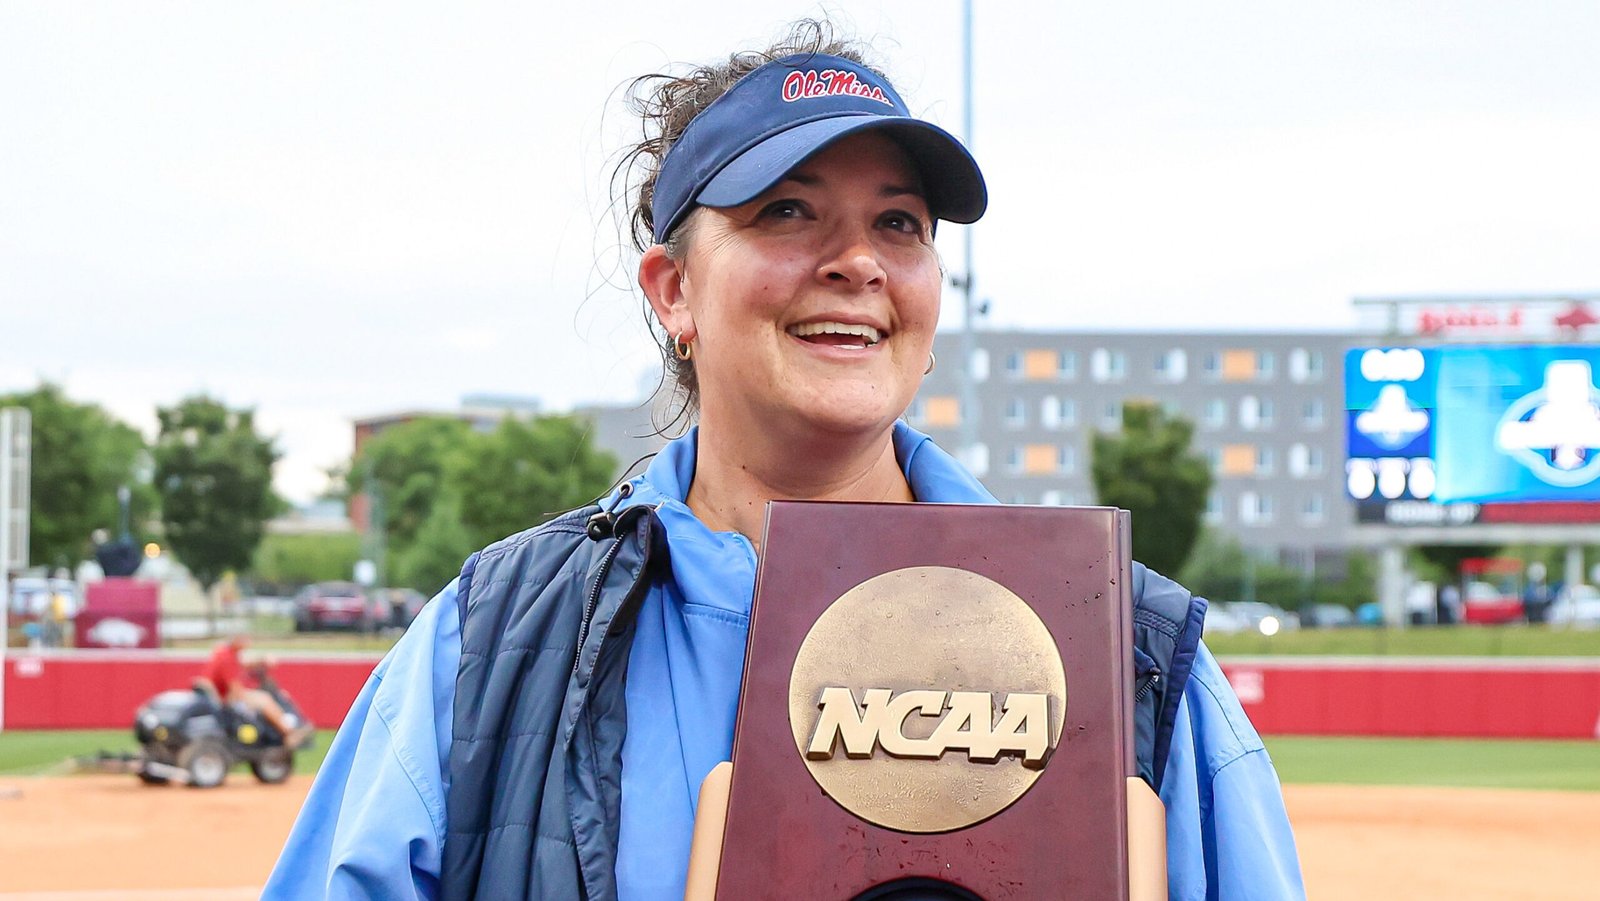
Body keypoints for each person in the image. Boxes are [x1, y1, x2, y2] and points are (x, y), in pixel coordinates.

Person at [268, 22, 1304, 900]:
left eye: (898, 222)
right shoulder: (488, 639)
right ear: (673, 290)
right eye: (787, 211)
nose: (856, 260)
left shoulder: (1126, 645)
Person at [202, 634, 313, 748]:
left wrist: (262, 660)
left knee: (262, 696)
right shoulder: (226, 658)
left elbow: (244, 664)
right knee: (264, 699)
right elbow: (234, 688)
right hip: (226, 699)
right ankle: (289, 732)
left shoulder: (226, 653)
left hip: (223, 696)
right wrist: (248, 700)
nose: (247, 643)